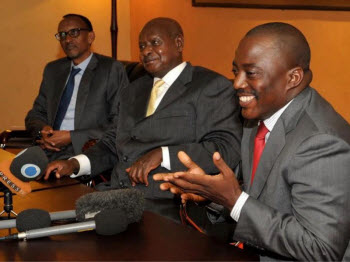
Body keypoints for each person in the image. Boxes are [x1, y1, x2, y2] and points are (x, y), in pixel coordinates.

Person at [154, 22, 350, 261]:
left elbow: (320, 249)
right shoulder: (258, 115)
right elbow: (262, 194)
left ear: (293, 78)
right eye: (236, 71)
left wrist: (235, 200)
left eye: (252, 73)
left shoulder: (321, 142)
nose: (236, 83)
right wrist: (211, 192)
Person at [44, 17, 242, 218]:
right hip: (115, 195)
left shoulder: (210, 86)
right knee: (53, 217)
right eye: (142, 46)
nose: (146, 51)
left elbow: (226, 149)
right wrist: (75, 164)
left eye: (155, 43)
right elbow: (112, 143)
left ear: (179, 43)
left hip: (168, 205)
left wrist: (164, 154)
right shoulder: (133, 91)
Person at [25, 14, 128, 161]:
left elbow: (121, 122)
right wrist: (43, 131)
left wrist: (72, 137)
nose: (67, 40)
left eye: (74, 32)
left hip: (85, 151)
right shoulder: (53, 70)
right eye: (62, 35)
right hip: (47, 149)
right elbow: (35, 113)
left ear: (91, 37)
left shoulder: (111, 69)